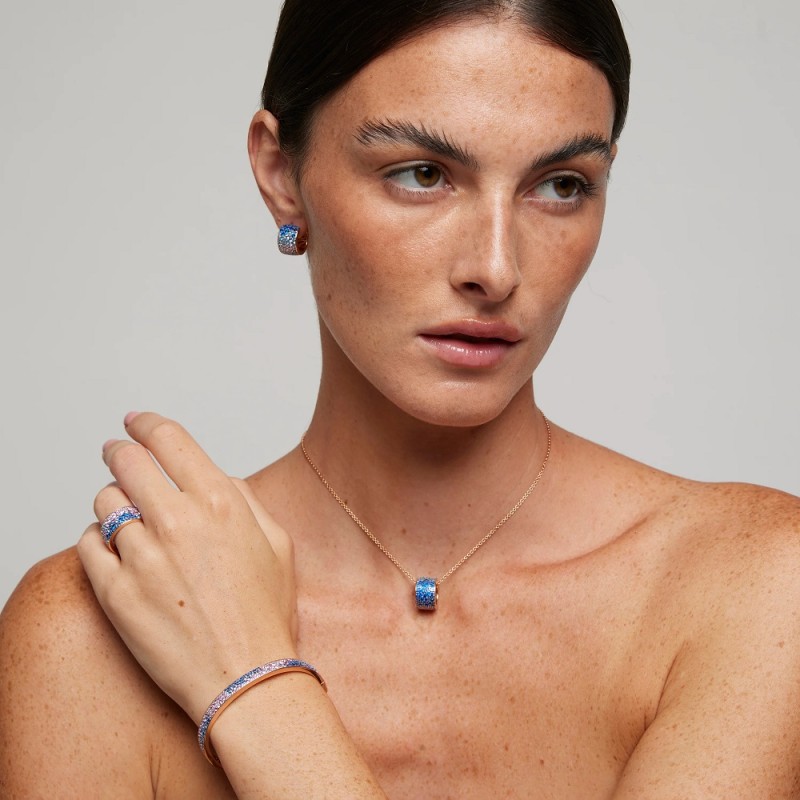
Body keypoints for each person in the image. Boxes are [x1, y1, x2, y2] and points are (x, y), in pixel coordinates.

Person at [2, 0, 799, 797]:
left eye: (561, 185)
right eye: (423, 174)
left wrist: (254, 684)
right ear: (280, 174)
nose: (495, 268)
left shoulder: (756, 587)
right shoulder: (88, 634)